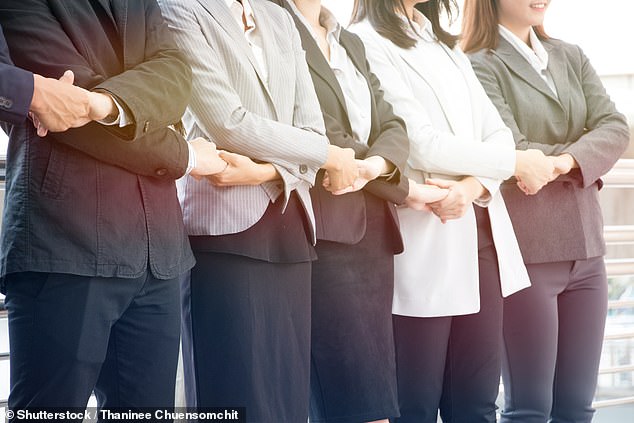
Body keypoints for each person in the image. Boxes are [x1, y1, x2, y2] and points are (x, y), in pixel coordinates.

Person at [0, 0, 227, 416]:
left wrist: (102, 104)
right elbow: (60, 106)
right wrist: (185, 155)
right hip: (66, 242)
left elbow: (176, 73)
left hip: (157, 250)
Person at [347, 0, 561, 421]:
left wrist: (474, 185)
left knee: (477, 404)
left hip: (481, 238)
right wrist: (513, 164)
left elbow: (497, 131)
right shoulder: (365, 41)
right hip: (426, 234)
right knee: (416, 404)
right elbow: (419, 141)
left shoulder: (445, 44)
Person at [158, 1, 360, 421]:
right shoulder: (178, 9)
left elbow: (312, 129)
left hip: (291, 225)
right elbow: (228, 123)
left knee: (286, 402)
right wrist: (327, 156)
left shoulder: (278, 16)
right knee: (232, 397)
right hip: (225, 230)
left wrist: (267, 169)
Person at [268, 1, 450, 422]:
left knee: (375, 403)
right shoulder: (275, 26)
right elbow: (317, 127)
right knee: (357, 405)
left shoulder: (345, 38)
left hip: (372, 237)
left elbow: (393, 124)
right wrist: (395, 181)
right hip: (326, 230)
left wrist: (376, 167)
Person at [462, 1, 631, 422]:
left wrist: (559, 163)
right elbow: (510, 148)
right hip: (527, 251)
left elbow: (615, 127)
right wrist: (581, 153)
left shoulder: (570, 55)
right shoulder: (477, 64)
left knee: (577, 407)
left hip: (588, 251)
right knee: (529, 409)